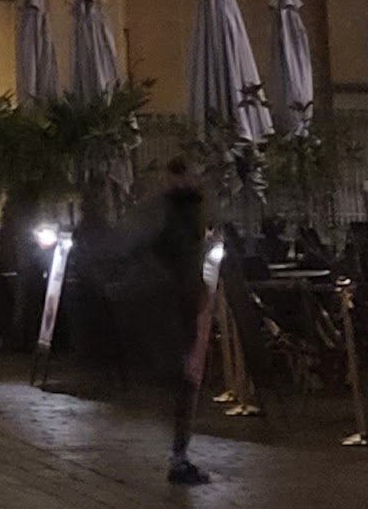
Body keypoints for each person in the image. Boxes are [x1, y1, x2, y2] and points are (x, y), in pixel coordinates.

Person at [142, 157, 213, 487]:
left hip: (175, 302)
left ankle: (179, 454)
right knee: (184, 380)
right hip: (176, 304)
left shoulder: (179, 211)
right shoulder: (177, 215)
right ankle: (178, 458)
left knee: (184, 381)